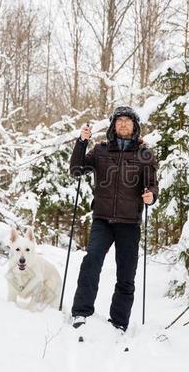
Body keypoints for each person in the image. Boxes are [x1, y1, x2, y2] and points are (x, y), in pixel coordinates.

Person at [69, 106, 158, 333]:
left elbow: (152, 185)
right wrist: (81, 142)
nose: (123, 124)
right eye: (119, 120)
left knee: (126, 273)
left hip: (130, 223)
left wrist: (151, 195)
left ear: (135, 126)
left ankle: (119, 322)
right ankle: (81, 311)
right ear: (113, 126)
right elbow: (76, 170)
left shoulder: (144, 154)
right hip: (103, 219)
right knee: (91, 262)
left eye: (128, 121)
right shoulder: (100, 151)